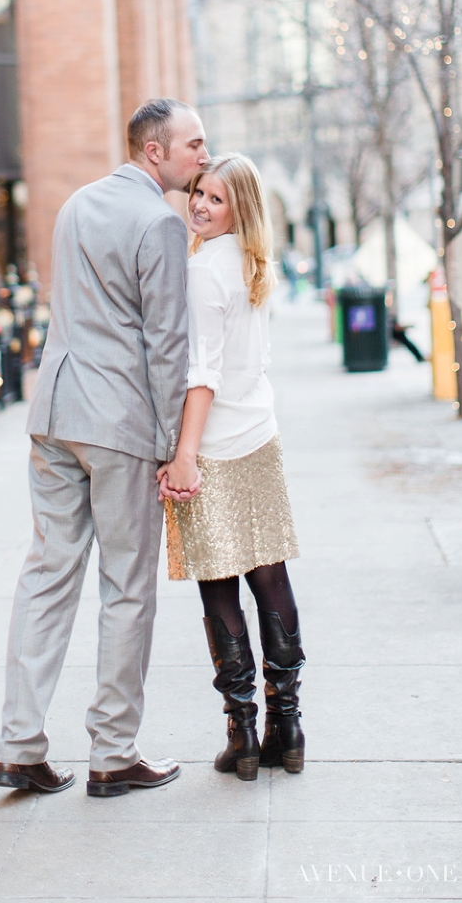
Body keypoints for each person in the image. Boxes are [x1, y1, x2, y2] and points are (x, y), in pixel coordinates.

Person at [0, 99, 210, 799]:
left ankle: (18, 745)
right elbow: (167, 342)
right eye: (194, 145)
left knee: (47, 575)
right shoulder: (159, 223)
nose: (203, 156)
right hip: (118, 423)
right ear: (154, 151)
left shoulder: (77, 204)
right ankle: (114, 752)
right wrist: (175, 445)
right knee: (127, 588)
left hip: (55, 412)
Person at [158, 153, 305, 783]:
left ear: (238, 207)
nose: (199, 204)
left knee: (218, 582)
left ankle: (242, 732)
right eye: (198, 192)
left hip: (213, 444)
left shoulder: (203, 269)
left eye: (215, 199)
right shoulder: (253, 262)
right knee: (269, 574)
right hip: (260, 433)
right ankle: (287, 727)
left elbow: (203, 372)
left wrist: (184, 453)